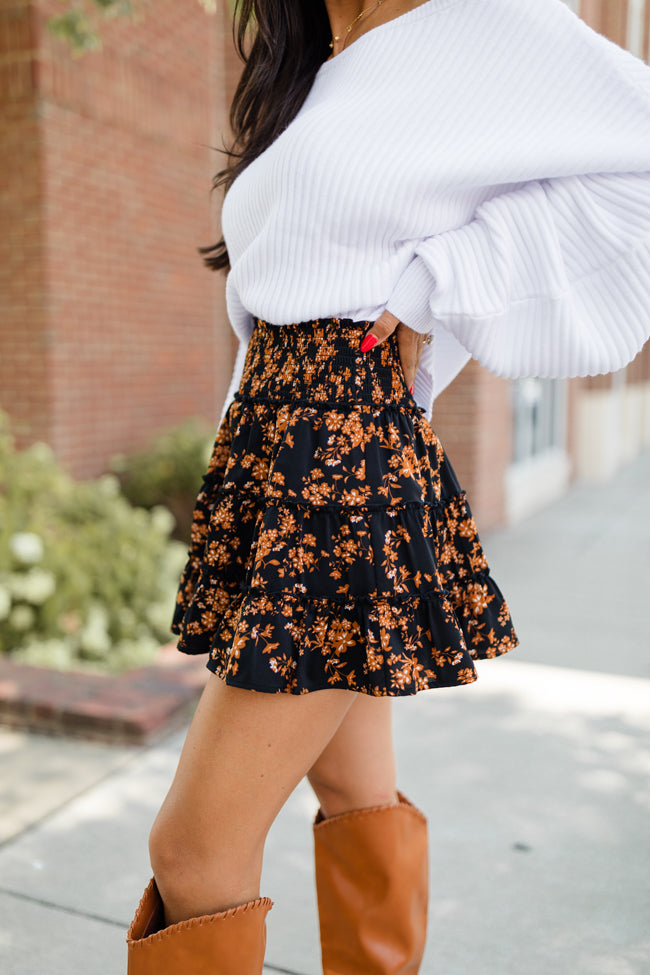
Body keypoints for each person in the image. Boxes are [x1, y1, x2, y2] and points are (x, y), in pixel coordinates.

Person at [125, 1, 650, 972]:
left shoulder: (477, 20)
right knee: (355, 798)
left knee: (192, 850)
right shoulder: (314, 67)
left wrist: (433, 286)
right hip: (278, 460)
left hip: (343, 462)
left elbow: (636, 158)